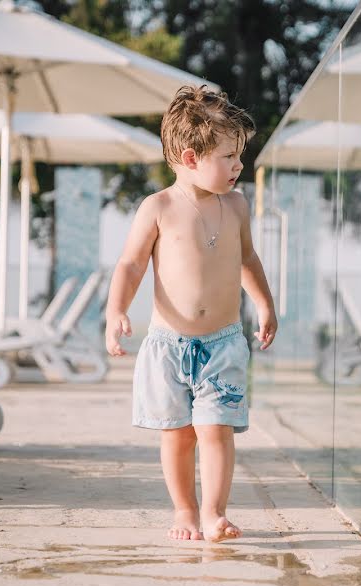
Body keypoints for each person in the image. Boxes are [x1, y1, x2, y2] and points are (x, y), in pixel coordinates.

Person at [105, 85, 277, 543]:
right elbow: (131, 264)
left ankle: (214, 513)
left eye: (240, 155)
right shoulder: (158, 207)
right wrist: (116, 311)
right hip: (168, 345)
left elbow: (248, 261)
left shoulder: (237, 206)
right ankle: (184, 510)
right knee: (178, 435)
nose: (239, 166)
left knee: (217, 429)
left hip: (223, 342)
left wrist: (264, 304)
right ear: (189, 156)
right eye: (228, 156)